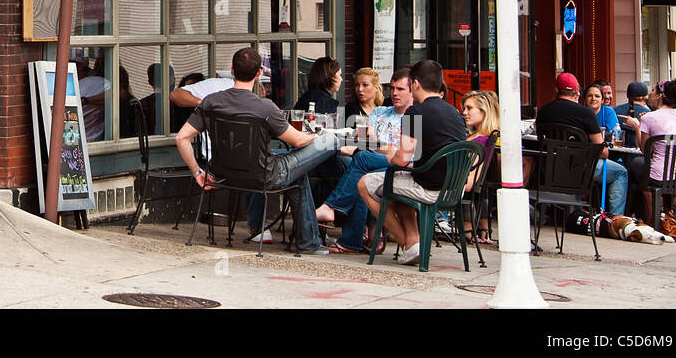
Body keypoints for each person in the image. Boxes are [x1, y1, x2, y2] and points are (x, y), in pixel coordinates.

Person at [175, 47, 342, 255]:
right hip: (265, 176)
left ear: (232, 70)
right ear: (258, 74)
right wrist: (317, 136)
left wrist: (197, 172)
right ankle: (319, 233)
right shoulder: (266, 107)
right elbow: (298, 141)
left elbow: (181, 138)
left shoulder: (211, 101)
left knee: (297, 178)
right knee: (332, 141)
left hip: (224, 175)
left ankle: (310, 243)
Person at [358, 60, 467, 265]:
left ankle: (408, 246)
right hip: (454, 189)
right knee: (400, 184)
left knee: (364, 184)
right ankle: (413, 240)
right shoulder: (455, 113)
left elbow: (401, 159)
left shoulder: (415, 112)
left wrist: (391, 154)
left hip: (428, 187)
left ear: (415, 84)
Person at [315, 67, 414, 254]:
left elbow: (406, 155)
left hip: (403, 169)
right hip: (380, 164)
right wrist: (388, 149)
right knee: (362, 175)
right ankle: (359, 239)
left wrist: (384, 148)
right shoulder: (379, 113)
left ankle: (334, 211)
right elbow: (370, 143)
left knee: (361, 161)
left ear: (412, 90)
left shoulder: (414, 116)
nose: (394, 93)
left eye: (400, 89)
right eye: (392, 88)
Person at [535, 72, 628, 216]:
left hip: (550, 168)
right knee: (621, 172)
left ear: (556, 90)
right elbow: (601, 150)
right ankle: (615, 219)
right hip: (580, 170)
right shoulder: (585, 113)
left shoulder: (543, 111)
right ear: (577, 91)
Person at [624, 80, 676, 211]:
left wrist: (637, 127)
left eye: (653, 91)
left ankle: (651, 218)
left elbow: (645, 150)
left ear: (660, 95)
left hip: (658, 176)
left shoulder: (649, 117)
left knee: (637, 168)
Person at [460, 90, 499, 242]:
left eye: (469, 108)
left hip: (460, 186)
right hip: (475, 190)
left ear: (484, 111)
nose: (464, 113)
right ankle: (481, 227)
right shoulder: (485, 137)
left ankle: (469, 225)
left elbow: (470, 181)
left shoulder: (480, 141)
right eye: (464, 108)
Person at [614, 81, 651, 147]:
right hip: (640, 153)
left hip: (618, 153)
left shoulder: (615, 110)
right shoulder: (648, 114)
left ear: (628, 96)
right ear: (645, 97)